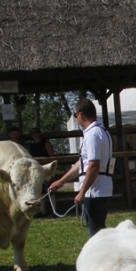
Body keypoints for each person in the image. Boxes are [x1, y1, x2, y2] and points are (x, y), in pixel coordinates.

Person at [48, 100, 113, 236]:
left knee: (96, 233)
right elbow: (82, 163)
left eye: (75, 114)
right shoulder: (100, 131)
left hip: (94, 191)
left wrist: (82, 192)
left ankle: (100, 257)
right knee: (97, 230)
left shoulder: (93, 135)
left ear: (80, 114)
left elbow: (93, 165)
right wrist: (62, 181)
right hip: (99, 189)